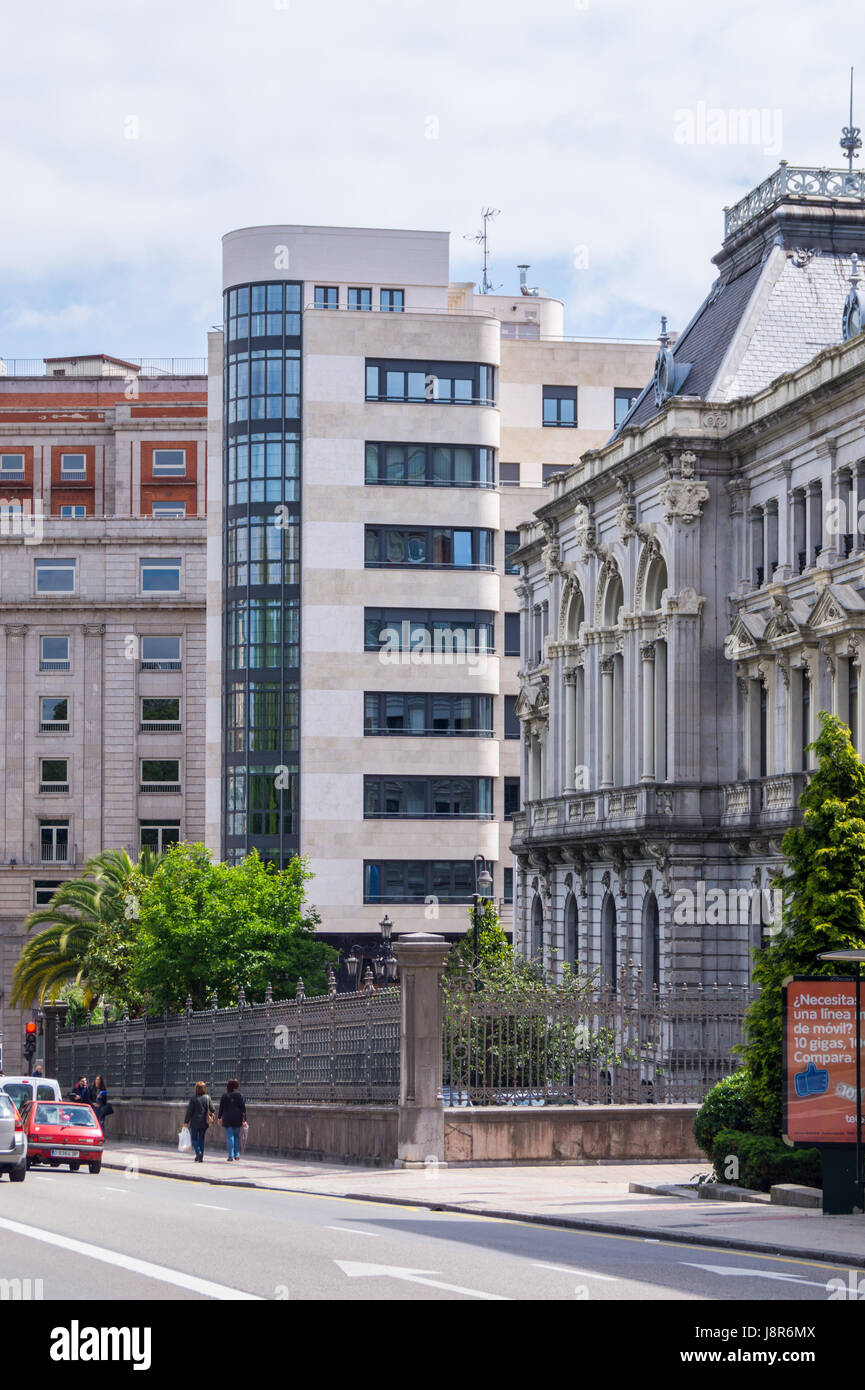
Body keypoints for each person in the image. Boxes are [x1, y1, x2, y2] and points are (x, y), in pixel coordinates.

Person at [183, 1081, 214, 1163]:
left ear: (196, 1089)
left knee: (194, 1138)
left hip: (195, 1122)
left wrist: (186, 1122)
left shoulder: (193, 1098)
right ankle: (200, 1157)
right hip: (204, 1122)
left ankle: (198, 1152)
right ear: (204, 1089)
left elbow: (189, 1111)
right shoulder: (207, 1097)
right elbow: (213, 1109)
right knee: (201, 1139)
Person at [217, 1078, 246, 1161]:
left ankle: (230, 1155)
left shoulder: (224, 1096)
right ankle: (237, 1155)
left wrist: (219, 1118)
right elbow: (243, 1109)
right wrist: (244, 1120)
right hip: (237, 1118)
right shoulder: (239, 1095)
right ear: (235, 1086)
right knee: (236, 1136)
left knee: (230, 1136)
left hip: (227, 1119)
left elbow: (221, 1108)